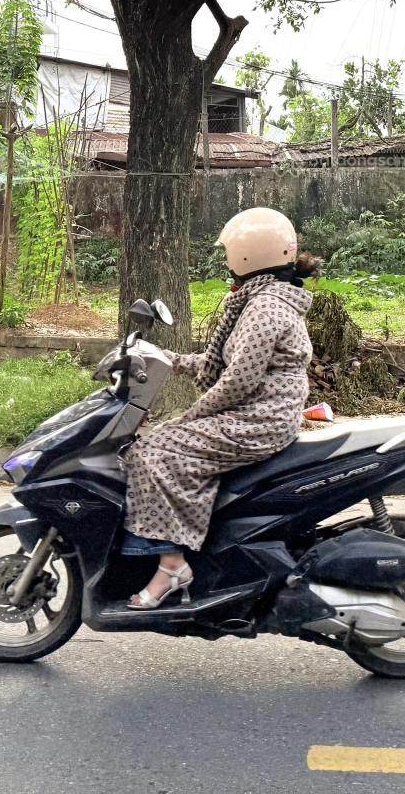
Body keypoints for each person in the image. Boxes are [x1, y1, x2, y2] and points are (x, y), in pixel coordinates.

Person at [120, 207, 319, 609]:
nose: (226, 261)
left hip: (258, 419)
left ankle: (172, 566)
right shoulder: (263, 298)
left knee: (154, 449)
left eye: (228, 253)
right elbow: (229, 366)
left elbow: (237, 382)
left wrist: (191, 416)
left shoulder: (265, 308)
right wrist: (170, 359)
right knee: (165, 440)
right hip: (260, 412)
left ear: (247, 255)